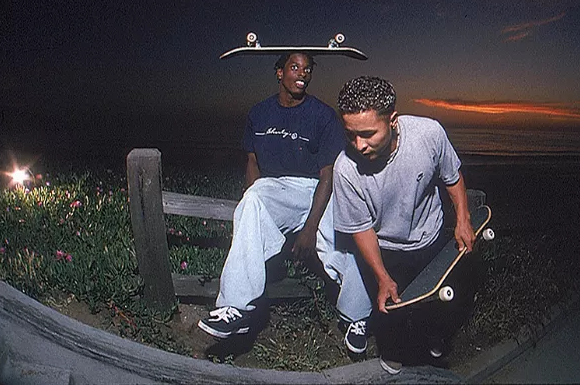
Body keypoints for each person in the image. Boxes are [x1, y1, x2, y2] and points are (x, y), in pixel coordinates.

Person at [198, 52, 373, 356]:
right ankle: (235, 308)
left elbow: (328, 174)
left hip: (319, 190)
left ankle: (357, 317)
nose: (302, 74)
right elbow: (252, 162)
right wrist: (258, 211)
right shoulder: (259, 113)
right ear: (279, 73)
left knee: (347, 238)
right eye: (294, 67)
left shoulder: (323, 115)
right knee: (250, 201)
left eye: (307, 69)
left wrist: (309, 229)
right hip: (278, 189)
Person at [332, 75, 476, 375]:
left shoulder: (428, 134)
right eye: (350, 135)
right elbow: (361, 230)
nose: (358, 145)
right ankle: (394, 349)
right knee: (391, 311)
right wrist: (381, 276)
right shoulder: (345, 170)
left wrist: (463, 219)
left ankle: (436, 335)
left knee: (441, 301)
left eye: (368, 133)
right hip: (386, 247)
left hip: (431, 235)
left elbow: (452, 177)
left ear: (393, 120)